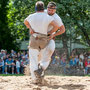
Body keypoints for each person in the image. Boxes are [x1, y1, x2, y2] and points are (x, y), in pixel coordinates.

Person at [24, 1, 59, 84]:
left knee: (33, 60)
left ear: (36, 8)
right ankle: (40, 72)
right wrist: (50, 32)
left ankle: (35, 79)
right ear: (43, 8)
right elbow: (57, 26)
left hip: (34, 38)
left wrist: (30, 28)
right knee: (43, 58)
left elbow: (25, 21)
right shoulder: (47, 16)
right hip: (44, 39)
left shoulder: (31, 16)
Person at [37, 1, 65, 77]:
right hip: (40, 36)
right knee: (38, 54)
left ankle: (41, 69)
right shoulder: (42, 13)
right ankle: (36, 68)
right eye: (49, 9)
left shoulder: (57, 18)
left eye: (52, 10)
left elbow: (62, 29)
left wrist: (54, 34)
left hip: (50, 37)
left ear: (55, 10)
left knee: (50, 50)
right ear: (47, 8)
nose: (50, 11)